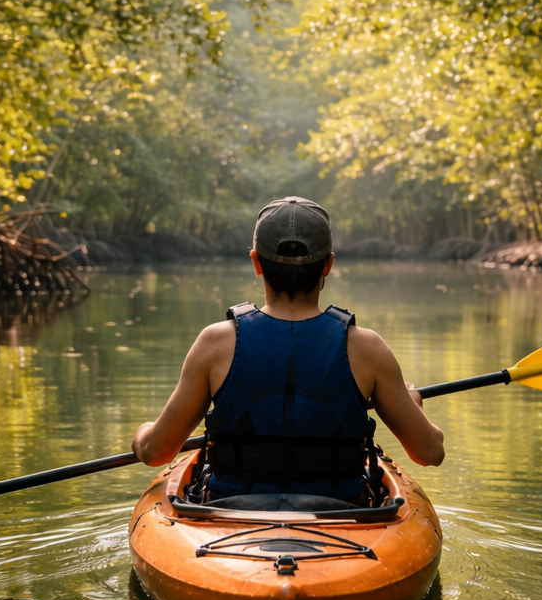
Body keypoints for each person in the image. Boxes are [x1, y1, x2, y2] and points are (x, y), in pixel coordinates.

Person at [131, 196, 444, 504]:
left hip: (229, 514)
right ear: (328, 265)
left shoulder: (214, 342)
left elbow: (156, 452)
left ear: (256, 262)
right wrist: (412, 405)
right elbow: (430, 452)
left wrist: (143, 433)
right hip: (344, 518)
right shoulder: (368, 348)